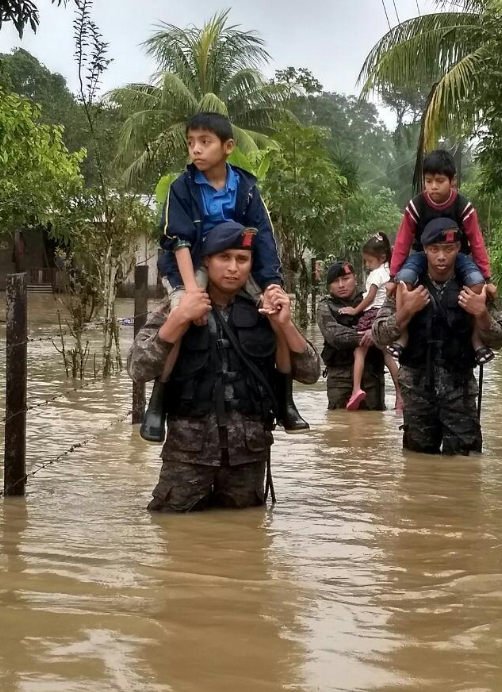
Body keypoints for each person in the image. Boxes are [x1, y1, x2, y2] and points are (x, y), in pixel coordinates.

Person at [128, 222, 320, 512]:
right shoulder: (177, 308)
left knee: (246, 545)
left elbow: (310, 372)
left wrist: (286, 326)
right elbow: (138, 368)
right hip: (187, 461)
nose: (233, 268)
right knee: (175, 541)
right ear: (207, 260)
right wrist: (179, 320)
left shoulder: (265, 311)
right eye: (224, 258)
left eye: (242, 259)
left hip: (247, 462)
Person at [142, 111, 308, 443]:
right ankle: (157, 404)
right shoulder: (182, 187)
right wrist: (191, 293)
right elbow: (179, 239)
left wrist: (272, 284)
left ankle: (286, 401)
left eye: (205, 142)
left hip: (238, 262)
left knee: (276, 313)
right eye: (191, 143)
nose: (196, 150)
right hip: (191, 265)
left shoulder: (246, 187)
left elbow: (262, 237)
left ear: (228, 146)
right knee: (182, 315)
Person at [373, 218, 502, 455]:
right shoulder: (406, 286)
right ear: (424, 250)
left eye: (448, 249)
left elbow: (499, 340)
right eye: (434, 250)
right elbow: (379, 335)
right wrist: (406, 312)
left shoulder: (473, 286)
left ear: (458, 249)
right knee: (418, 464)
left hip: (460, 389)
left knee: (466, 462)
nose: (441, 257)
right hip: (416, 391)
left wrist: (482, 314)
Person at [387, 149, 495, 365]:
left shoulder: (463, 207)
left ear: (452, 181)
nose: (433, 186)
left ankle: (476, 341)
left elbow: (477, 242)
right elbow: (402, 242)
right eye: (428, 181)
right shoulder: (416, 206)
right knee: (403, 281)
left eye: (439, 181)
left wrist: (487, 279)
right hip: (422, 254)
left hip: (459, 256)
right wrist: (392, 278)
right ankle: (403, 334)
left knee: (477, 284)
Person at [336, 233, 402, 411]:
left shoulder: (376, 274)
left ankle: (356, 389)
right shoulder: (391, 272)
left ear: (381, 258)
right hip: (386, 316)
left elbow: (371, 297)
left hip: (373, 314)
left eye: (369, 261)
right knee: (388, 355)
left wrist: (356, 310)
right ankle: (400, 393)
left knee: (359, 352)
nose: (367, 265)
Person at [316, 261, 386, 411]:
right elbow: (334, 336)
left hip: (371, 376)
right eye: (335, 281)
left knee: (373, 424)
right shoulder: (326, 306)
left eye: (345, 279)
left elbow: (390, 325)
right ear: (329, 286)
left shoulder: (372, 300)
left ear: (355, 279)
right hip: (339, 379)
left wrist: (376, 335)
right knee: (339, 424)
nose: (341, 285)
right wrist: (368, 336)